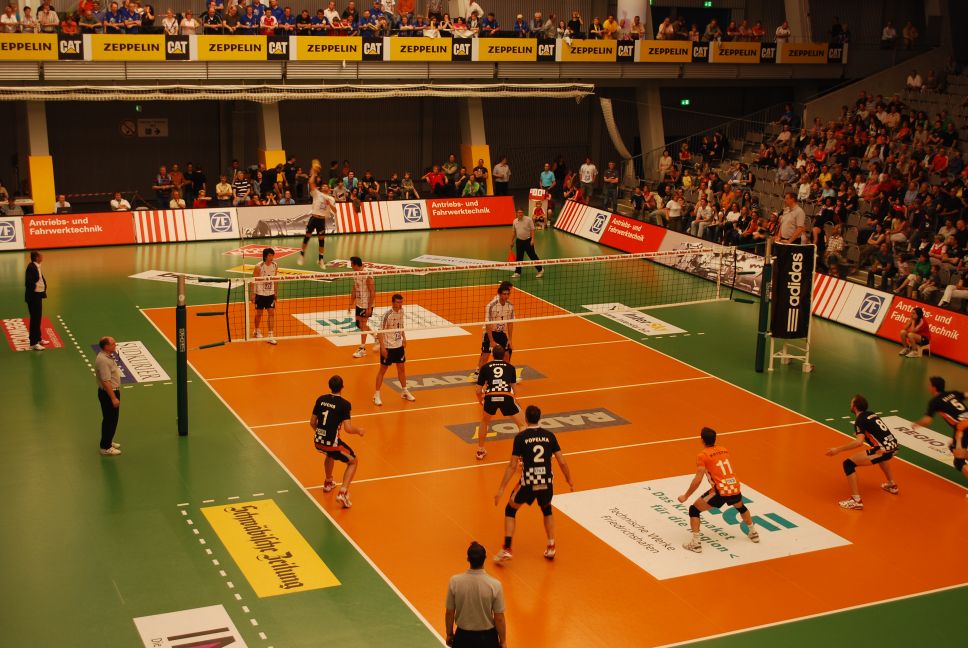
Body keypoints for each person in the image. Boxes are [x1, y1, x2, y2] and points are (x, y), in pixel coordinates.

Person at [493, 405, 574, 562]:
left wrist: (501, 488)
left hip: (529, 482)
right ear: (539, 418)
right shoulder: (550, 436)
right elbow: (562, 461)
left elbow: (512, 466)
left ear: (526, 419)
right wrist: (569, 479)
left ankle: (507, 548)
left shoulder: (521, 437)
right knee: (547, 510)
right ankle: (551, 546)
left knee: (510, 510)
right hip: (546, 482)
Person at [676, 427, 760, 553]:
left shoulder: (703, 456)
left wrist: (686, 496)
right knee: (741, 507)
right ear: (715, 439)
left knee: (694, 509)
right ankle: (753, 532)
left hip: (720, 491)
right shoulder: (724, 449)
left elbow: (698, 480)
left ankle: (696, 543)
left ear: (702, 440)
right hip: (734, 486)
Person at [824, 395, 899, 510]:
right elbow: (877, 430)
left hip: (882, 450)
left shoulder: (859, 420)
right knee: (881, 457)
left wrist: (837, 449)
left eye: (851, 403)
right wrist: (862, 433)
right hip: (893, 447)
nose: (850, 404)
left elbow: (859, 442)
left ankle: (856, 500)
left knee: (848, 464)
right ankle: (892, 485)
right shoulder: (871, 414)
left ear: (854, 407)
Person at [310, 375, 365, 508]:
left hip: (317, 441)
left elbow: (312, 422)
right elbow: (348, 428)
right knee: (353, 461)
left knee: (330, 454)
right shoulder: (344, 404)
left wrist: (321, 434)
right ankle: (343, 493)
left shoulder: (321, 399)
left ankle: (328, 482)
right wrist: (358, 430)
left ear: (329, 386)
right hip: (332, 444)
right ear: (342, 387)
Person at [445, 542, 507, 648]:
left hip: (463, 638)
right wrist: (503, 641)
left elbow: (449, 613)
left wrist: (449, 634)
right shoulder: (495, 585)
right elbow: (499, 618)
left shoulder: (455, 582)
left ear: (468, 559)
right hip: (487, 639)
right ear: (485, 558)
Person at [910, 376, 968, 484]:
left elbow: (927, 421)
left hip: (963, 429)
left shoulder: (935, 401)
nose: (929, 387)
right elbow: (966, 394)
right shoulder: (953, 393)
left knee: (959, 462)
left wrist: (915, 424)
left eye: (930, 385)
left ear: (933, 388)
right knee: (952, 447)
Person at [475, 345, 525, 461]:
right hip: (506, 396)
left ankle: (480, 450)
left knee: (485, 421)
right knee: (522, 425)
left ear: (492, 355)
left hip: (490, 396)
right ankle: (522, 455)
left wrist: (480, 400)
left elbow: (478, 390)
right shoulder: (510, 367)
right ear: (504, 355)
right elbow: (514, 390)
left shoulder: (485, 367)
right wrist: (512, 401)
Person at [373, 293, 416, 406]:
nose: (400, 304)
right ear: (393, 303)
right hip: (388, 347)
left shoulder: (401, 311)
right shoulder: (387, 315)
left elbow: (400, 325)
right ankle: (376, 395)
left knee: (401, 368)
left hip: (398, 346)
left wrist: (404, 337)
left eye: (401, 302)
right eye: (398, 302)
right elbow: (380, 332)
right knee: (382, 370)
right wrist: (382, 347)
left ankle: (404, 391)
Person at [474, 281, 514, 378]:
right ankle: (479, 374)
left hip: (501, 332)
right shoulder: (491, 305)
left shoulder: (510, 306)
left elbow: (510, 323)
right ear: (500, 294)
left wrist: (510, 339)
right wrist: (491, 341)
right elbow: (488, 324)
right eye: (504, 294)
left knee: (507, 353)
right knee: (486, 354)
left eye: (508, 294)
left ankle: (506, 375)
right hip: (490, 332)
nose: (506, 296)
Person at [298, 172, 334, 269]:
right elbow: (310, 183)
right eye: (323, 186)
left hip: (322, 221)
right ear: (321, 188)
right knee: (307, 237)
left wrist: (330, 204)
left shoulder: (331, 198)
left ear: (329, 189)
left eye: (326, 186)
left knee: (321, 241)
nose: (325, 187)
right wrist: (313, 173)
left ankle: (320, 259)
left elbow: (335, 211)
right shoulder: (317, 194)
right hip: (314, 218)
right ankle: (302, 255)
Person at [95, 336, 123, 456]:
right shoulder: (103, 360)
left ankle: (108, 441)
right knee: (110, 420)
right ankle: (105, 447)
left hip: (111, 392)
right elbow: (106, 381)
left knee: (112, 419)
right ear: (106, 346)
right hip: (109, 393)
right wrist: (113, 398)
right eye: (113, 344)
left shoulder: (107, 356)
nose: (115, 345)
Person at [348, 256, 375, 359]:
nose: (350, 266)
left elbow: (372, 292)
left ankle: (362, 348)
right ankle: (377, 337)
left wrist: (369, 307)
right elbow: (354, 288)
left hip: (366, 304)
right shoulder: (355, 273)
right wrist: (351, 303)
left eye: (351, 264)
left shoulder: (367, 275)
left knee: (363, 325)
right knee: (359, 324)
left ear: (355, 264)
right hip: (359, 303)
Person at [251, 247, 278, 345]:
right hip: (260, 293)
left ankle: (270, 335)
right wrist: (253, 294)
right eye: (270, 255)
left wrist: (275, 291)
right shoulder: (259, 266)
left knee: (271, 313)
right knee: (259, 314)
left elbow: (275, 279)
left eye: (272, 255)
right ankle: (256, 330)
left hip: (270, 294)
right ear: (265, 256)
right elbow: (253, 280)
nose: (272, 257)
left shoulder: (275, 265)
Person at [24, 250, 48, 351]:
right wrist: (36, 289)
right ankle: (33, 343)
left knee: (38, 318)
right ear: (37, 257)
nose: (42, 256)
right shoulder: (31, 267)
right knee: (35, 319)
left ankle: (38, 338)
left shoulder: (36, 266)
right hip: (33, 297)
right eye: (40, 255)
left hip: (38, 296)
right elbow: (28, 282)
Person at [510, 209, 543, 279]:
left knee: (532, 256)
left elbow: (532, 229)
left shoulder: (528, 220)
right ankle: (517, 272)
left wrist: (533, 239)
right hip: (519, 241)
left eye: (521, 212)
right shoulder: (515, 221)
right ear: (517, 213)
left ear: (523, 213)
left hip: (528, 241)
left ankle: (540, 270)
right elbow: (514, 232)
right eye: (519, 212)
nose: (520, 214)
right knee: (519, 257)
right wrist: (512, 241)